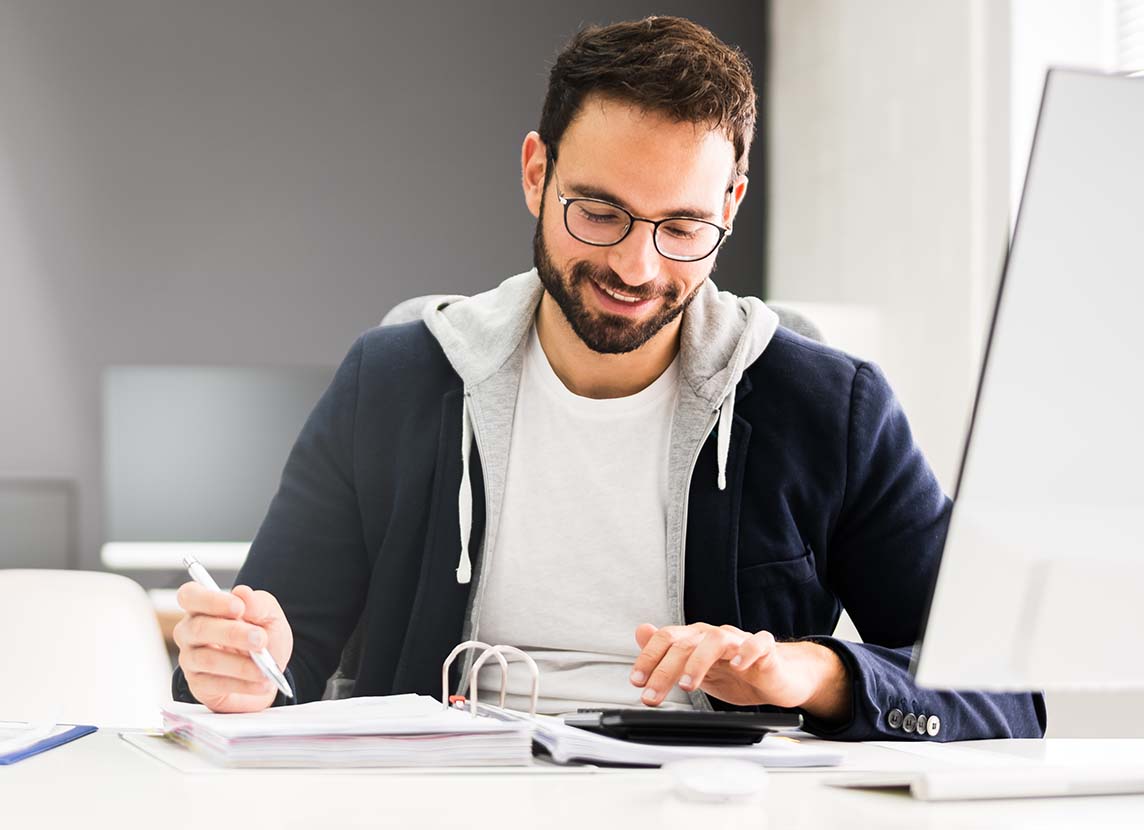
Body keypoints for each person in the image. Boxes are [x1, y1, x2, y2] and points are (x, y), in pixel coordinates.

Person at [172, 16, 1045, 740]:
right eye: (601, 212)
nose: (636, 264)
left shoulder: (830, 407)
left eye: (683, 226)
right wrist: (239, 671)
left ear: (732, 205)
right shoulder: (393, 382)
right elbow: (262, 673)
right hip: (438, 799)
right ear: (534, 173)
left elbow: (1008, 696)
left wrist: (806, 671)